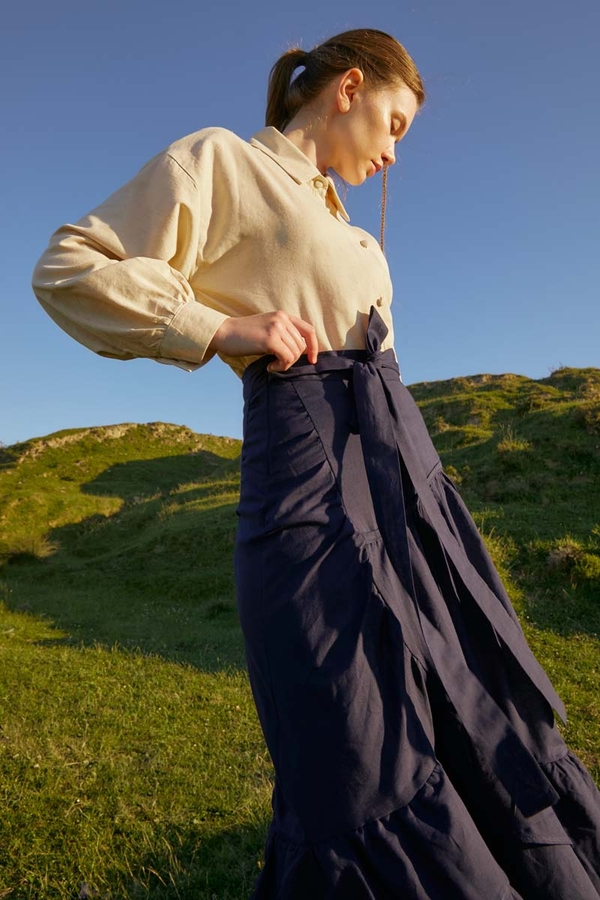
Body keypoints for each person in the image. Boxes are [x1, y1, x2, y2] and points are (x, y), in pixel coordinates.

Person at [32, 27, 600, 900]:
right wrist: (217, 328)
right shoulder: (223, 162)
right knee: (356, 750)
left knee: (465, 705)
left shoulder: (357, 237)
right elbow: (68, 267)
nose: (396, 151)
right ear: (348, 86)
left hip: (406, 496)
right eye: (396, 123)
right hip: (304, 491)